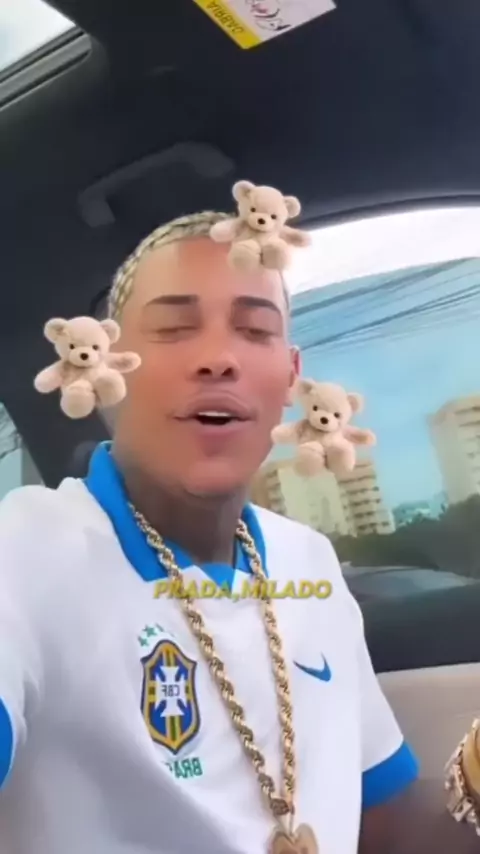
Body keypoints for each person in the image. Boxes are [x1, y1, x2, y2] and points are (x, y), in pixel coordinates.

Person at [0, 209, 476, 854]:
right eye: (173, 328)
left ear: (290, 375)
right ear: (107, 365)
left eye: (255, 330)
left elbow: (384, 826)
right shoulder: (29, 548)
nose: (218, 359)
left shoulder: (310, 562)